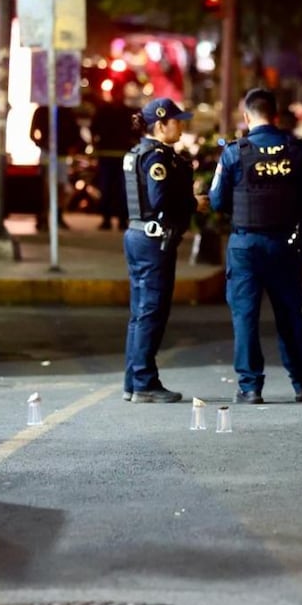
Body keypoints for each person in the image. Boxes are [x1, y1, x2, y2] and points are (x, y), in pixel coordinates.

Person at [209, 88, 302, 404]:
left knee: (245, 317)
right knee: (290, 314)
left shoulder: (235, 152)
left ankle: (250, 387)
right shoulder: (296, 150)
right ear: (275, 115)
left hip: (245, 245)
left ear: (247, 117)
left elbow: (217, 201)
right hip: (284, 243)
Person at [122, 97, 201, 404]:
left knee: (140, 313)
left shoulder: (137, 153)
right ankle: (144, 382)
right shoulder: (157, 157)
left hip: (138, 235)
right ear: (160, 124)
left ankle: (133, 382)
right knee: (152, 312)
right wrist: (193, 203)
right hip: (153, 241)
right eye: (176, 121)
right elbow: (159, 200)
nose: (180, 126)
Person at [91, 89, 139, 230]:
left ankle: (119, 219)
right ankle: (111, 219)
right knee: (112, 188)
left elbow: (94, 130)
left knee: (119, 189)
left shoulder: (124, 112)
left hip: (117, 154)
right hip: (113, 154)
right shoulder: (108, 111)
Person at [30, 103, 83, 231]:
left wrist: (71, 147)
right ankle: (43, 216)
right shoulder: (42, 110)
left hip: (61, 154)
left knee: (60, 186)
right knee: (45, 186)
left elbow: (75, 132)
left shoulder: (66, 112)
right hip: (47, 153)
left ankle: (57, 215)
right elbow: (33, 132)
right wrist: (41, 143)